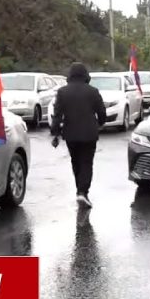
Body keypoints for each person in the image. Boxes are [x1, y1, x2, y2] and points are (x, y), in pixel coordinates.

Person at [49, 62, 108, 208]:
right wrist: (101, 123)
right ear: (85, 75)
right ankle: (83, 192)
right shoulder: (93, 91)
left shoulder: (62, 92)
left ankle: (79, 191)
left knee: (75, 162)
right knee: (86, 162)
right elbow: (101, 111)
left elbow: (57, 115)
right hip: (89, 133)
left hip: (71, 134)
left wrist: (55, 133)